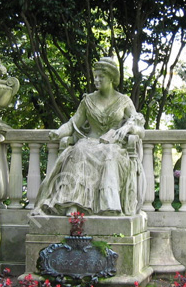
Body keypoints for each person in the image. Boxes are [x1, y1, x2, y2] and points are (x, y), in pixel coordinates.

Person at [34, 57, 145, 216]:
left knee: (110, 154)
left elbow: (141, 128)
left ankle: (109, 206)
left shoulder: (124, 101)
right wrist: (58, 132)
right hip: (90, 143)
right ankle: (71, 205)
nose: (97, 79)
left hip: (113, 146)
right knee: (79, 150)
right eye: (96, 76)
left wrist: (129, 128)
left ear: (111, 78)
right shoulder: (88, 100)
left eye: (101, 76)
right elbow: (73, 124)